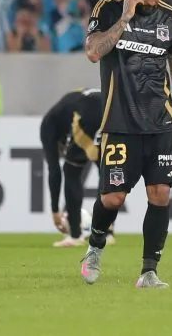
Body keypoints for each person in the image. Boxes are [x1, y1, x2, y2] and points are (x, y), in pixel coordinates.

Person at [80, 0, 172, 289]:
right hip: (120, 122)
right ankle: (95, 247)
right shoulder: (108, 8)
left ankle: (149, 272)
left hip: (160, 123)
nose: (153, 2)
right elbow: (93, 52)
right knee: (113, 198)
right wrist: (125, 20)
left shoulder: (170, 18)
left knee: (160, 195)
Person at [39, 88, 115, 248]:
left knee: (71, 169)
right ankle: (107, 232)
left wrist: (55, 212)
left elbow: (54, 172)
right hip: (115, 107)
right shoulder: (65, 109)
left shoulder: (48, 126)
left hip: (90, 112)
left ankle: (75, 235)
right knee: (107, 170)